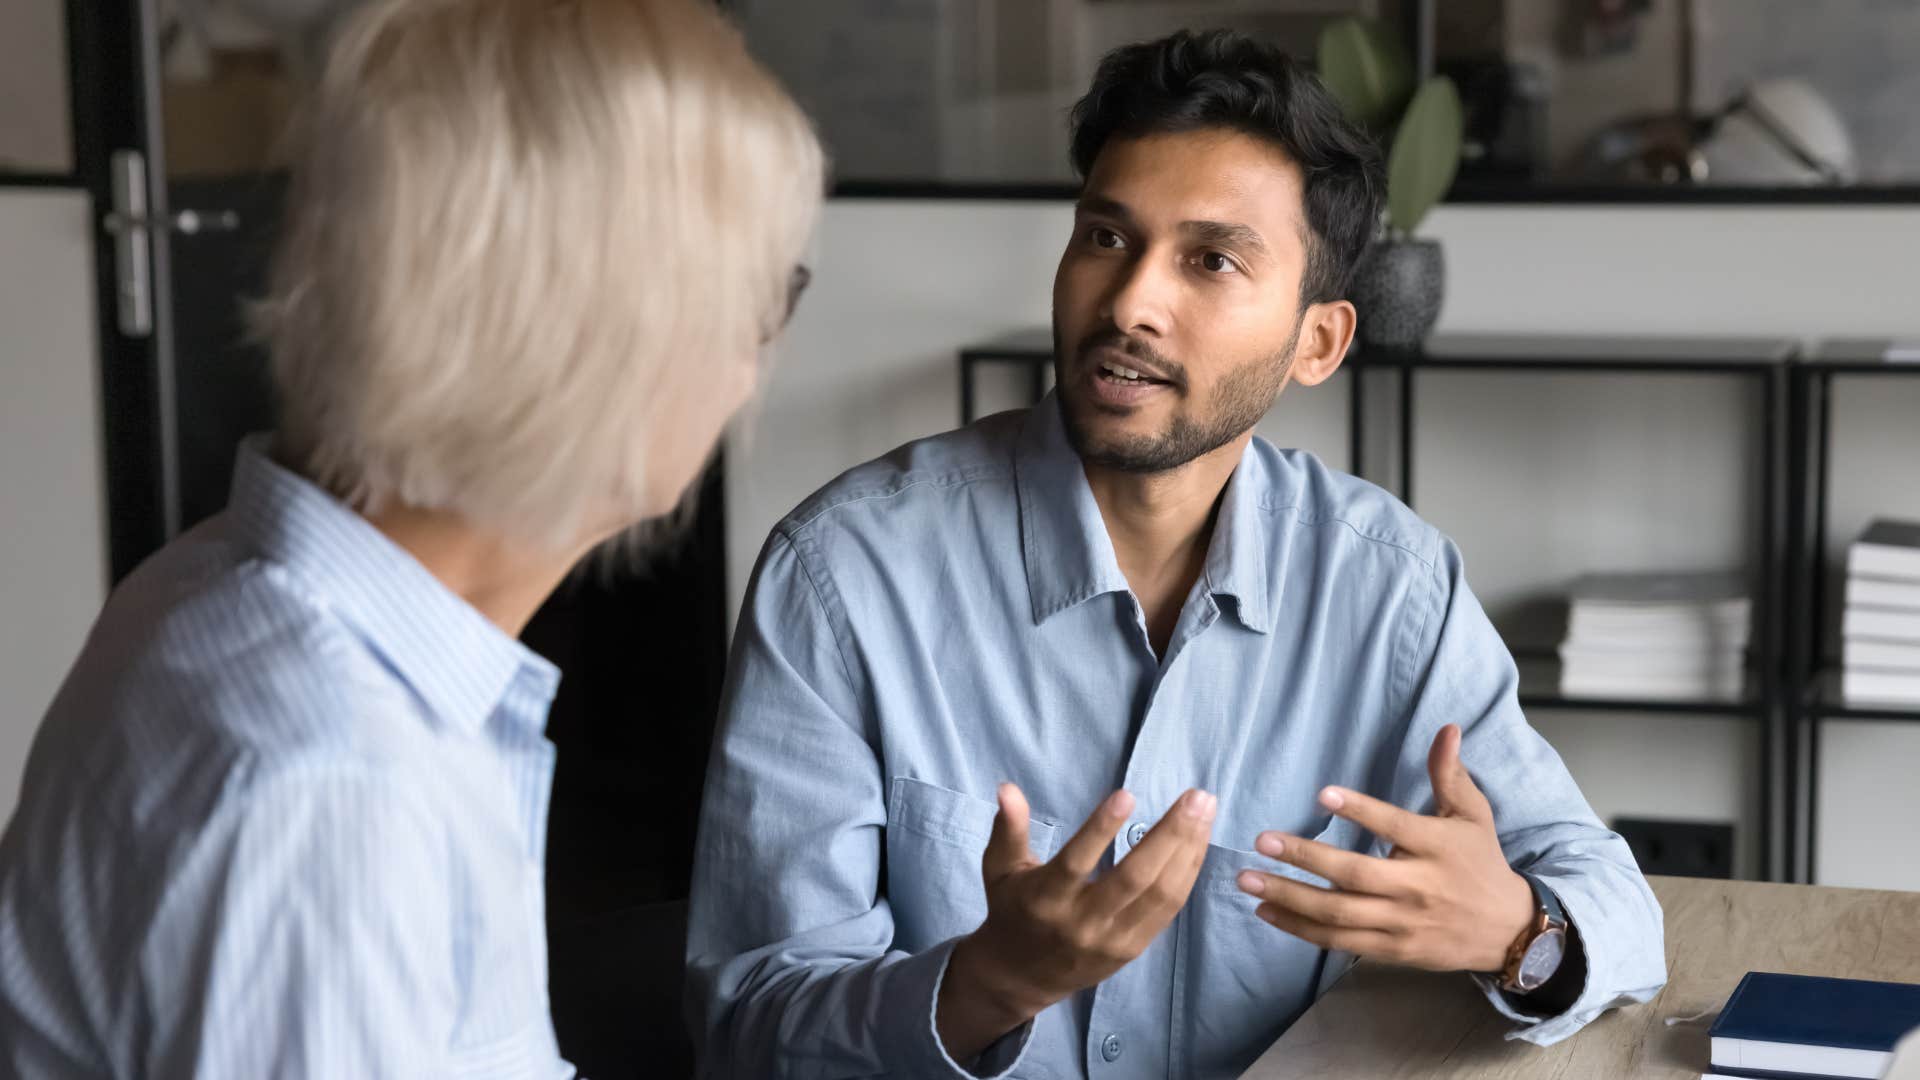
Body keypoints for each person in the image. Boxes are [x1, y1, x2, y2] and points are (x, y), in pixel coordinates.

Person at [688, 28, 1666, 1080]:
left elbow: (1617, 908)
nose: (1129, 304)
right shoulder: (842, 575)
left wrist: (1520, 933)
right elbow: (747, 1029)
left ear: (1318, 343)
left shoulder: (1389, 586)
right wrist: (985, 987)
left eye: (1212, 260)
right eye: (1106, 238)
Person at [0, 0, 823, 1074]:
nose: (755, 366)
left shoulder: (214, 578)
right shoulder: (334, 796)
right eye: (765, 297)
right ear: (603, 344)